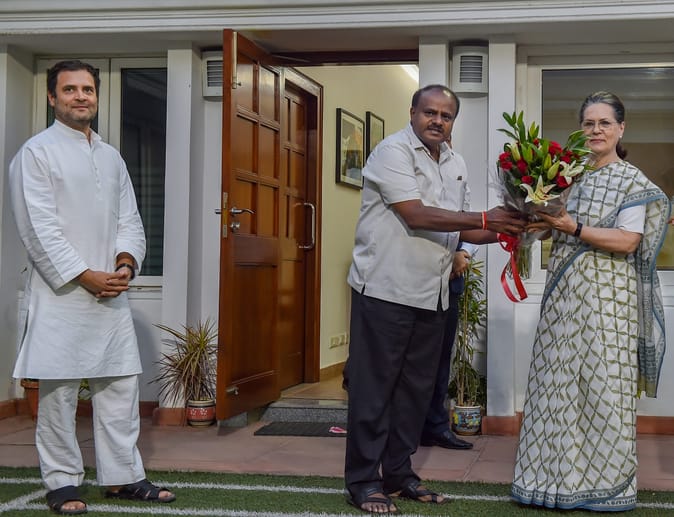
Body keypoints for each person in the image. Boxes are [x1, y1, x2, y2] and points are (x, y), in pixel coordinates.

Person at [343, 84, 526, 514]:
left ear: (452, 122)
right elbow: (416, 214)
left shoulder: (455, 163)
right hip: (385, 289)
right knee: (375, 391)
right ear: (412, 112)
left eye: (446, 115)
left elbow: (462, 227)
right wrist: (488, 218)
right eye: (429, 112)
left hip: (434, 294)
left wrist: (516, 227)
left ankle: (399, 474)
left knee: (416, 393)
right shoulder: (392, 152)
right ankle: (363, 482)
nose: (437, 121)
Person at [9, 60, 176, 515]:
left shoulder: (110, 156)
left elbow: (130, 220)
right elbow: (38, 229)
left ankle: (123, 476)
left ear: (96, 97)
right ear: (52, 98)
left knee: (120, 386)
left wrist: (125, 263)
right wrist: (85, 275)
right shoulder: (36, 153)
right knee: (59, 393)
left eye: (87, 89)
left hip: (111, 292)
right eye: (70, 89)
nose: (80, 96)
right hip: (61, 294)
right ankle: (62, 482)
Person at [511, 91, 670, 511]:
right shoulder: (568, 176)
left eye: (604, 123)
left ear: (621, 128)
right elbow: (554, 227)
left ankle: (607, 487)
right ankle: (550, 484)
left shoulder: (632, 182)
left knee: (602, 388)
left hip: (608, 302)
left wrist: (573, 227)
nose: (596, 130)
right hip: (564, 298)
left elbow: (629, 241)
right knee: (556, 384)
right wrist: (531, 222)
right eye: (588, 123)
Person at [419, 242, 476, 450]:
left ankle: (435, 426)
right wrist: (448, 257)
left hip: (450, 286)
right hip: (416, 285)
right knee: (414, 361)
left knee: (442, 359)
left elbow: (470, 229)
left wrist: (464, 253)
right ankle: (407, 427)